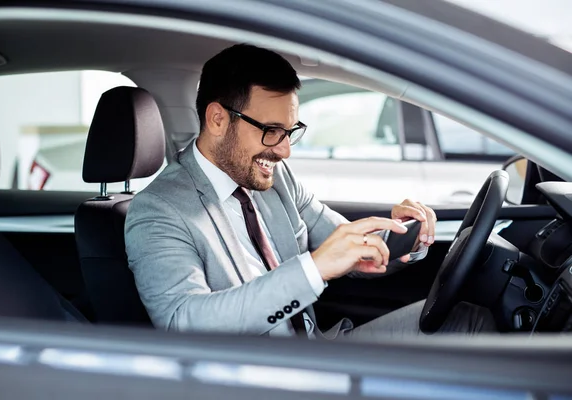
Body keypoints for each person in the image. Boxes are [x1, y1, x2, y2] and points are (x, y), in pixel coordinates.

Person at [124, 44, 494, 340]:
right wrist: (313, 269)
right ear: (218, 119)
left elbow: (344, 248)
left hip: (317, 351)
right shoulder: (158, 210)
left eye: (290, 131)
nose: (284, 150)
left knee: (468, 321)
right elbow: (183, 322)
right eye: (271, 130)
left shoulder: (275, 178)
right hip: (256, 381)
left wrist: (400, 236)